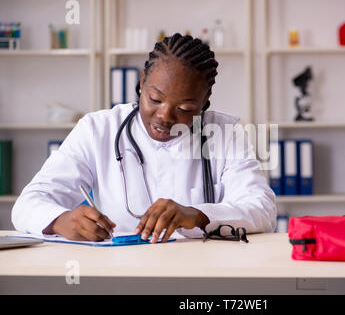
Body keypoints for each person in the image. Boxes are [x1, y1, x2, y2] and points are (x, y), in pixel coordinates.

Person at [11, 33, 276, 243]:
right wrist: (61, 220)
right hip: (117, 274)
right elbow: (28, 204)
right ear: (142, 82)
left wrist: (197, 214)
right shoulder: (98, 128)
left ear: (205, 101)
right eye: (155, 99)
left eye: (184, 109)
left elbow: (262, 209)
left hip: (201, 274)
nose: (165, 116)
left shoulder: (224, 132)